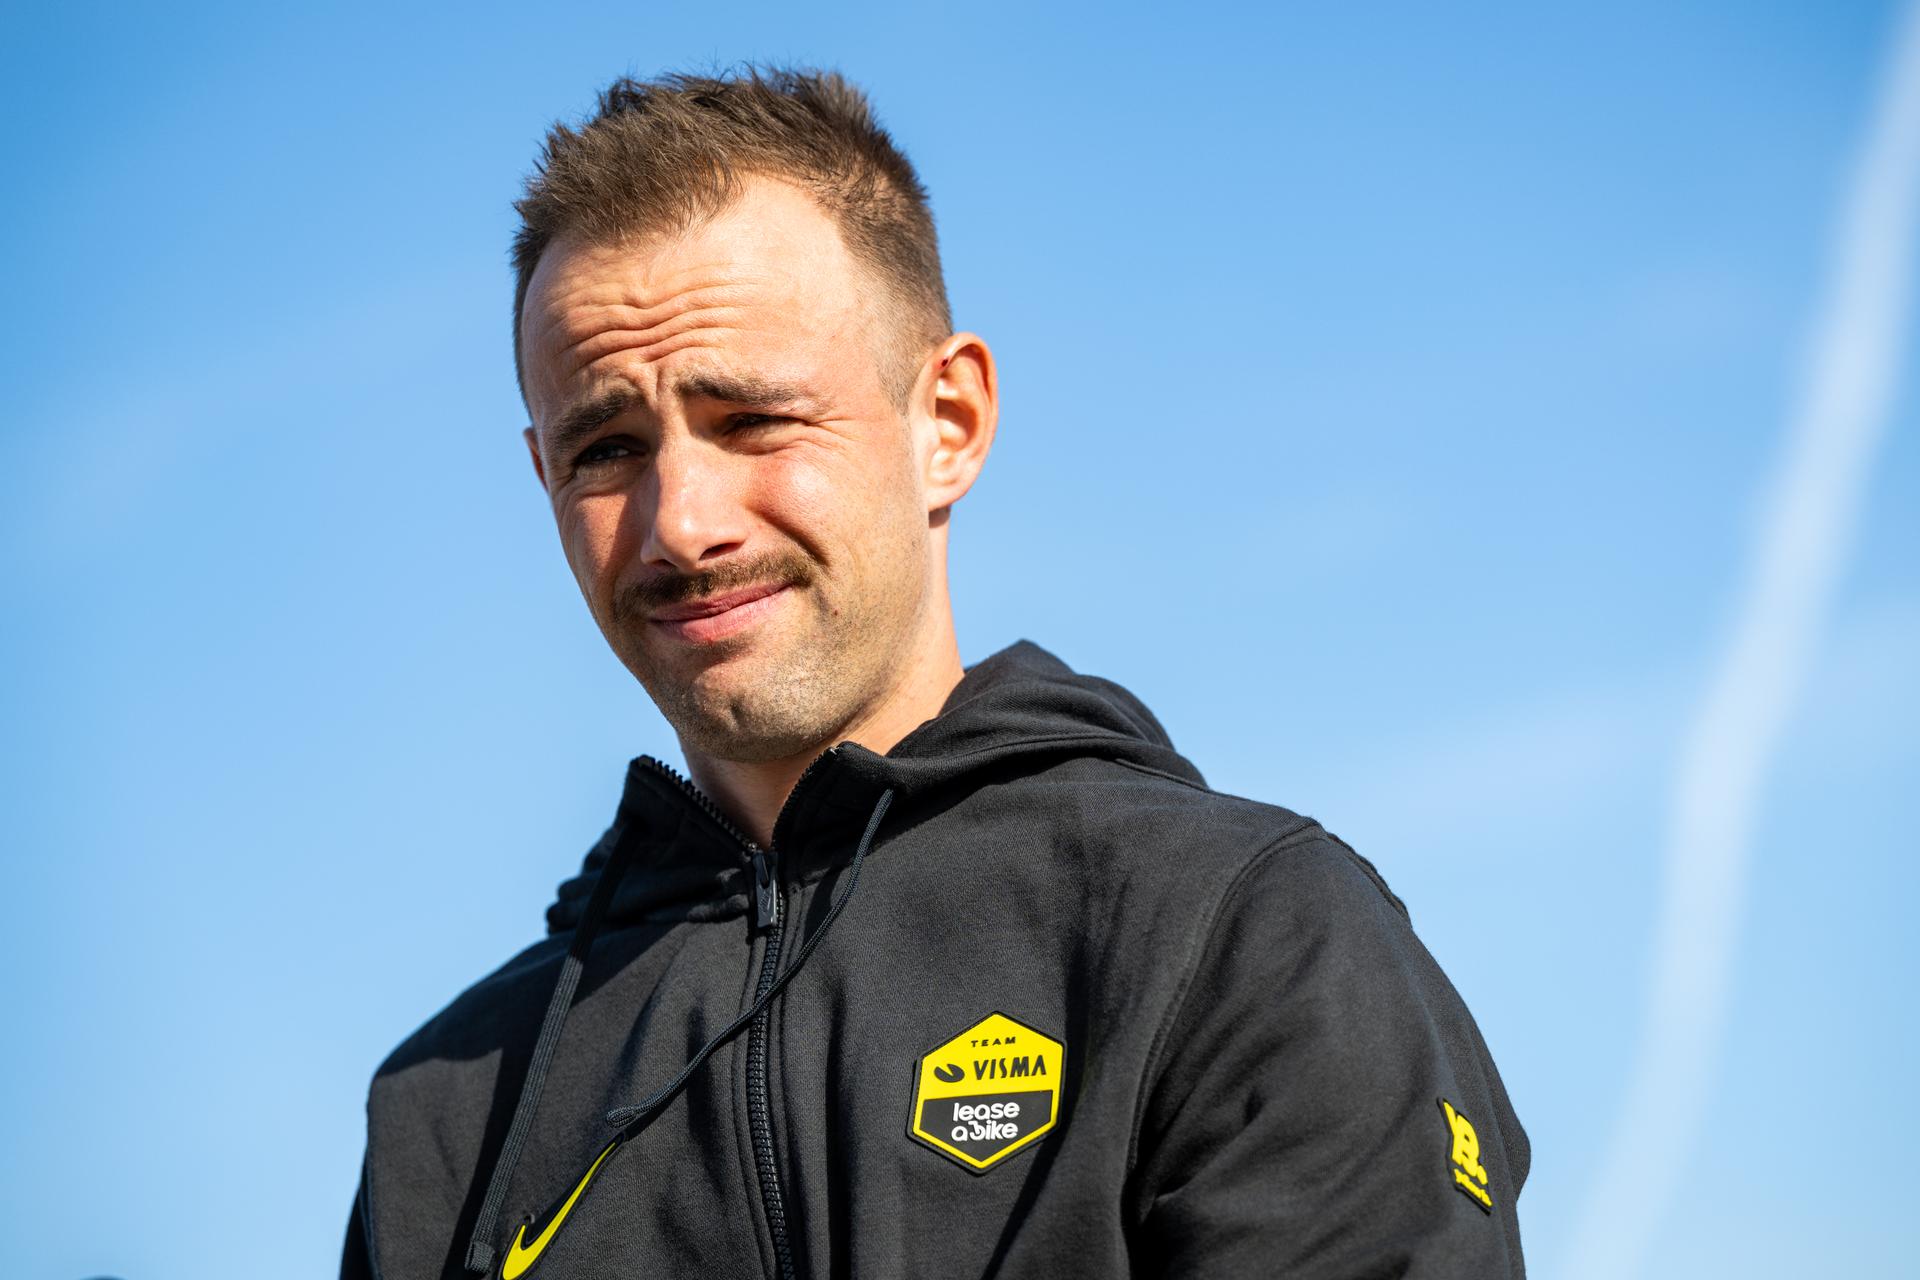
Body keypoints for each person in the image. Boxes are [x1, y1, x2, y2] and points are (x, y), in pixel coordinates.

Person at [341, 66, 1529, 1279]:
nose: (681, 524)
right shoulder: (448, 1111)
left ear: (947, 422)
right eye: (606, 448)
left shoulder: (1234, 933)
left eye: (752, 419)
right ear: (542, 475)